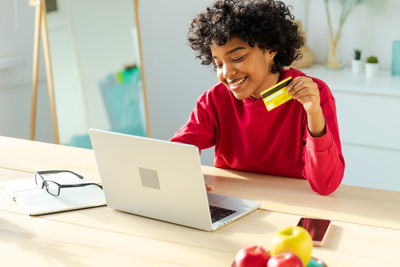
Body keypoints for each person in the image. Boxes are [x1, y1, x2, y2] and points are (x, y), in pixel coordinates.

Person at [170, 0, 345, 195]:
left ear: (271, 49)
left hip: (295, 203)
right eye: (219, 64)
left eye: (237, 58)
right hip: (233, 202)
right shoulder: (214, 100)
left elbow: (325, 185)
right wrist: (184, 178)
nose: (226, 73)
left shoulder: (313, 94)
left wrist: (313, 113)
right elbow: (178, 151)